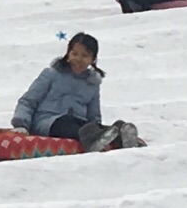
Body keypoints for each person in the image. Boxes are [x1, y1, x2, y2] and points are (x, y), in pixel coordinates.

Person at [11, 33, 139, 152]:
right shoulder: (51, 75)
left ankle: (121, 135)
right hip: (47, 122)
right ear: (68, 54)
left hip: (79, 124)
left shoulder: (92, 84)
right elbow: (28, 101)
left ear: (93, 59)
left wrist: (99, 127)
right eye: (75, 54)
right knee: (68, 123)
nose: (78, 59)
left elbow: (94, 115)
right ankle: (93, 140)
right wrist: (21, 124)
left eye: (84, 56)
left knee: (89, 127)